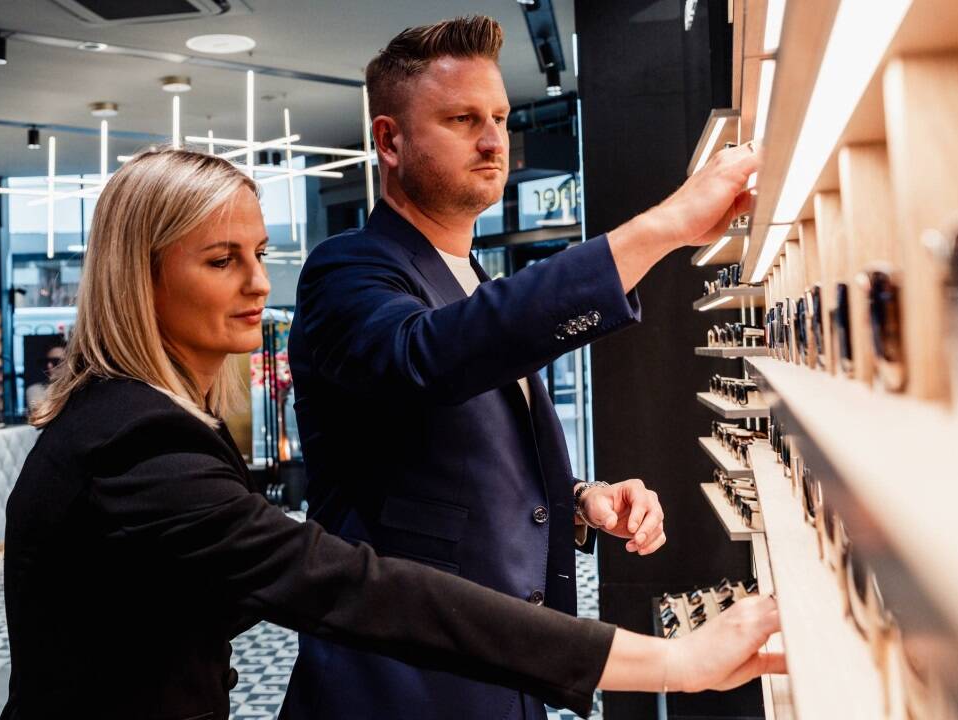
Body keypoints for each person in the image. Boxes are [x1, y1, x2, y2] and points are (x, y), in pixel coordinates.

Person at [0, 149, 782, 720]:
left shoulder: (145, 420)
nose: (259, 283)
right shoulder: (136, 446)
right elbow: (352, 586)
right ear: (143, 277)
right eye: (220, 260)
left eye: (260, 254)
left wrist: (571, 499)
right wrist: (672, 664)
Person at [283, 16, 759, 718]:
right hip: (401, 688)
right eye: (461, 119)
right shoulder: (347, 270)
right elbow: (430, 359)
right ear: (389, 140)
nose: (492, 140)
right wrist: (667, 224)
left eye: (500, 118)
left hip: (501, 676)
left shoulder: (470, 275)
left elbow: (453, 459)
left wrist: (579, 500)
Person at [24, 340, 65, 416]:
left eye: (56, 361)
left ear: (69, 364)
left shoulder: (80, 390)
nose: (49, 366)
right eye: (47, 361)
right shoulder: (35, 390)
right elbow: (41, 416)